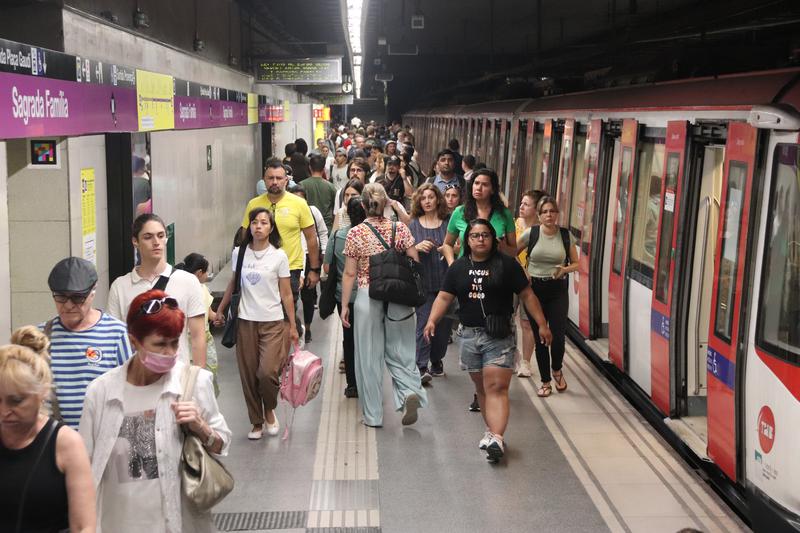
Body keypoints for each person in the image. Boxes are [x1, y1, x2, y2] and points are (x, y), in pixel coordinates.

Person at [80, 289, 230, 532]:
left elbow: (222, 446)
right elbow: (84, 467)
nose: (170, 353)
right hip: (116, 523)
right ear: (133, 341)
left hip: (177, 523)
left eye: (174, 343)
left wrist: (202, 427)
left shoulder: (193, 383)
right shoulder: (101, 393)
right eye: (160, 345)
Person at [424, 219, 552, 463]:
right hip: (469, 335)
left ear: (493, 239)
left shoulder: (507, 265)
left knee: (496, 387)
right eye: (475, 236)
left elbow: (527, 295)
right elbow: (443, 297)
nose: (480, 239)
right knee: (481, 388)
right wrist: (432, 321)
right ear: (467, 241)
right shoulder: (458, 268)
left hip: (499, 335)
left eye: (485, 235)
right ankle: (491, 432)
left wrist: (542, 325)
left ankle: (497, 438)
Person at [340, 183, 427, 427]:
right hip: (398, 295)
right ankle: (408, 391)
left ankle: (373, 415)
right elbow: (414, 261)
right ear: (386, 202)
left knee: (369, 356)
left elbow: (349, 273)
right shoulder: (400, 228)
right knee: (401, 350)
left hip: (368, 295)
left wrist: (346, 305)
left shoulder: (355, 233)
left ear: (363, 205)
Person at [0, 326, 96, 533]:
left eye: (16, 401)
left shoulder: (66, 443)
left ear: (41, 393)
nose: (4, 411)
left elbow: (84, 526)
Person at [217, 208, 298, 439]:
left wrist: (292, 326)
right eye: (255, 222)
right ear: (249, 226)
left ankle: (269, 408)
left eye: (264, 222)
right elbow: (233, 284)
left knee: (267, 372)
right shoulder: (239, 253)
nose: (258, 226)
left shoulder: (279, 256)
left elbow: (286, 294)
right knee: (249, 374)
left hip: (272, 322)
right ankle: (256, 422)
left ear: (271, 228)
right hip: (245, 321)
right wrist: (221, 310)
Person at [42, 257, 132, 428]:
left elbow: (131, 394)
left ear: (93, 291)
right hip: (54, 445)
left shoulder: (117, 334)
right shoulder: (41, 337)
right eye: (61, 297)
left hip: (103, 443)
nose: (68, 305)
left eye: (77, 298)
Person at [108, 213, 207, 367]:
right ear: (135, 241)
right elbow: (115, 340)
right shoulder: (120, 286)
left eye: (161, 236)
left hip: (177, 378)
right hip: (137, 379)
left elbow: (198, 336)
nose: (156, 242)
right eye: (148, 237)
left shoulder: (188, 281)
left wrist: (197, 380)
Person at [241, 158, 321, 336]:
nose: (274, 182)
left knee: (285, 317)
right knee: (263, 317)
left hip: (290, 270)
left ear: (286, 180)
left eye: (279, 178)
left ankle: (281, 358)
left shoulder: (299, 204)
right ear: (264, 179)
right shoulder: (254, 204)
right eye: (270, 178)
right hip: (259, 270)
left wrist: (314, 270)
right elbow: (244, 237)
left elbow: (311, 239)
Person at [516, 195, 579, 397]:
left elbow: (577, 264)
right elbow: (511, 253)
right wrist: (523, 271)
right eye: (545, 212)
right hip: (534, 291)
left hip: (558, 289)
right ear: (539, 215)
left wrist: (565, 270)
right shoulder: (531, 234)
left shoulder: (565, 235)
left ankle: (557, 369)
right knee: (541, 337)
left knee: (558, 336)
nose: (549, 215)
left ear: (557, 214)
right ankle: (545, 381)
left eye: (552, 211)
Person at [408, 184, 452, 382]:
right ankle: (421, 366)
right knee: (424, 323)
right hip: (423, 284)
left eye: (430, 197)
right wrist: (416, 247)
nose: (426, 201)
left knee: (443, 329)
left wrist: (449, 250)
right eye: (423, 197)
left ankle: (436, 359)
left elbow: (458, 247)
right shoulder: (414, 225)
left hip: (446, 283)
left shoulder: (448, 223)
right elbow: (405, 253)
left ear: (437, 200)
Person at [324, 197, 367, 398]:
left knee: (349, 341)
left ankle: (352, 384)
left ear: (347, 214)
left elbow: (326, 266)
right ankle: (368, 380)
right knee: (369, 339)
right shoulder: (373, 234)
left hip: (346, 296)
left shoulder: (339, 235)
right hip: (370, 296)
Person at [442, 168, 516, 263]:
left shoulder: (504, 214)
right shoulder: (460, 212)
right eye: (476, 183)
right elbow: (447, 244)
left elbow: (514, 251)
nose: (479, 188)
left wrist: (501, 246)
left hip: (496, 270)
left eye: (484, 184)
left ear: (493, 190)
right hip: (466, 269)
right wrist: (452, 265)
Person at [175, 253, 220, 395]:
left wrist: (217, 317)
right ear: (200, 273)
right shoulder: (196, 289)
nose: (207, 275)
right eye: (206, 272)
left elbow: (208, 312)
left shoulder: (195, 289)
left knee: (193, 377)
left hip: (191, 340)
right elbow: (207, 313)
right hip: (198, 339)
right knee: (202, 376)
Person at [290, 183, 329, 344]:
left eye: (302, 200)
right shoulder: (286, 213)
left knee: (308, 296)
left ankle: (308, 327)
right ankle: (292, 326)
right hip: (291, 258)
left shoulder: (313, 212)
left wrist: (324, 255)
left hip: (308, 257)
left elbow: (322, 232)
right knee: (290, 296)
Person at [513, 190, 545, 378]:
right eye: (522, 203)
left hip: (532, 282)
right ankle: (511, 354)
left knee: (527, 322)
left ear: (536, 209)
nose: (521, 207)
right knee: (507, 319)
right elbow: (509, 251)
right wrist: (522, 270)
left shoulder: (543, 229)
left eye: (526, 204)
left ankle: (526, 362)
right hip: (510, 279)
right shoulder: (513, 225)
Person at [303, 154, 338, 231]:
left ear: (310, 167)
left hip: (307, 227)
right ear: (324, 168)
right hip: (327, 227)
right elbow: (335, 209)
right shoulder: (331, 187)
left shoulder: (301, 185)